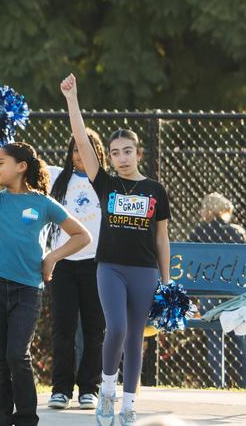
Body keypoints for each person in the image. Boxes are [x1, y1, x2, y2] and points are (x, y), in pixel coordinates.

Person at [61, 74, 173, 426]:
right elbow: (81, 138)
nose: (121, 158)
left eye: (128, 151)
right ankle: (106, 389)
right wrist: (72, 100)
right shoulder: (105, 182)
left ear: (139, 153)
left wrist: (166, 282)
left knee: (136, 337)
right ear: (107, 157)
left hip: (144, 270)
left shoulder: (155, 190)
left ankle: (128, 404)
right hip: (109, 266)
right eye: (114, 153)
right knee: (118, 329)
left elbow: (162, 239)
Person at [0, 141, 91, 426]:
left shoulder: (42, 203)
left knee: (17, 355)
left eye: (0, 162)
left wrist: (52, 258)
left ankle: (27, 420)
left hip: (27, 291)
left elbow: (82, 236)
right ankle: (4, 420)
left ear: (21, 167)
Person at [46, 129, 107, 410]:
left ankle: (89, 389)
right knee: (63, 329)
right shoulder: (58, 178)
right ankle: (60, 389)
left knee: (95, 330)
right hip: (63, 266)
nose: (80, 154)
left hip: (97, 265)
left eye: (87, 149)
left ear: (98, 153)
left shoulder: (106, 182)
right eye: (75, 149)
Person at [187, 193, 246, 388]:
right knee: (240, 336)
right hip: (234, 294)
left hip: (208, 293)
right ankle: (243, 380)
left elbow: (191, 264)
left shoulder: (199, 232)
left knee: (214, 339)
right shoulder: (236, 232)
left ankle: (218, 382)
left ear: (209, 210)